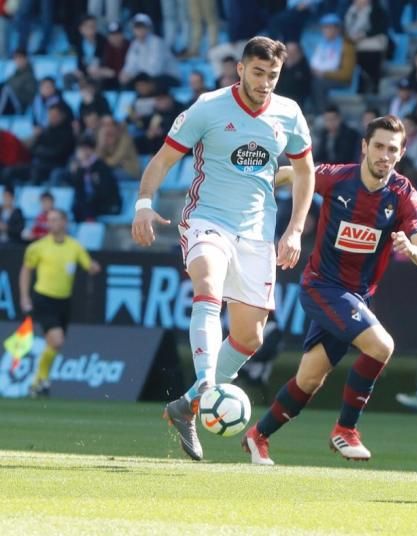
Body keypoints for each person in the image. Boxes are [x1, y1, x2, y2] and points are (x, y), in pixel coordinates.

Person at [132, 37, 316, 462]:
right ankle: (209, 389)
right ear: (240, 69)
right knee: (208, 286)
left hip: (257, 233)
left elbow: (305, 173)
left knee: (250, 336)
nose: (266, 82)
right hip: (206, 219)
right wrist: (144, 205)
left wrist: (295, 230)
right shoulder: (208, 107)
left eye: (273, 75)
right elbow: (161, 161)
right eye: (258, 73)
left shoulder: (288, 113)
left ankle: (189, 405)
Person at [242, 115, 417, 465]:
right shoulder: (336, 177)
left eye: (392, 149)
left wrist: (414, 250)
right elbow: (291, 174)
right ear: (364, 147)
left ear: (401, 153)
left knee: (309, 379)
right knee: (382, 345)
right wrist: (252, 187)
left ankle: (258, 435)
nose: (384, 155)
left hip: (356, 297)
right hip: (321, 286)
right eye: (378, 146)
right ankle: (345, 430)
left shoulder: (403, 195)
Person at [19, 209, 102, 397]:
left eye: (55, 219)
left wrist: (93, 267)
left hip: (63, 301)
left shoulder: (74, 246)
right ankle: (39, 380)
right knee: (57, 340)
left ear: (64, 222)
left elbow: (87, 264)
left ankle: (38, 382)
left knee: (54, 345)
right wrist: (25, 296)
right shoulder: (38, 247)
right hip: (44, 298)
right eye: (49, 220)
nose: (51, 223)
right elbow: (26, 271)